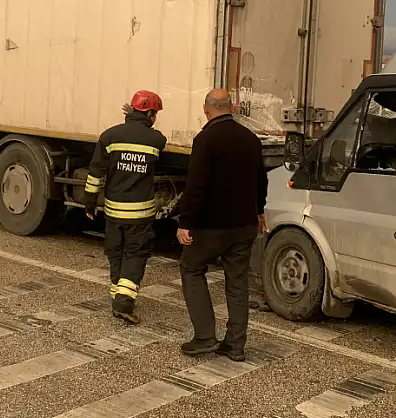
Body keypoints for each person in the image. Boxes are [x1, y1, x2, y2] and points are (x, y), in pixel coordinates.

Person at [177, 89, 269, 361]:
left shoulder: (205, 139)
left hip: (210, 226)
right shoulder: (251, 139)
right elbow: (261, 179)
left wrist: (185, 222)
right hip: (243, 225)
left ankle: (205, 337)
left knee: (192, 269)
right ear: (232, 107)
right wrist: (259, 210)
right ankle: (235, 345)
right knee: (237, 282)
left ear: (207, 110)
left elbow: (196, 185)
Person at [84, 90, 168, 325]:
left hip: (113, 210)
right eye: (156, 114)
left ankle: (118, 294)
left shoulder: (109, 137)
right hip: (140, 214)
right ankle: (123, 301)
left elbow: (96, 173)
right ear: (150, 114)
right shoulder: (156, 140)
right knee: (136, 253)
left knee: (115, 251)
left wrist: (90, 201)